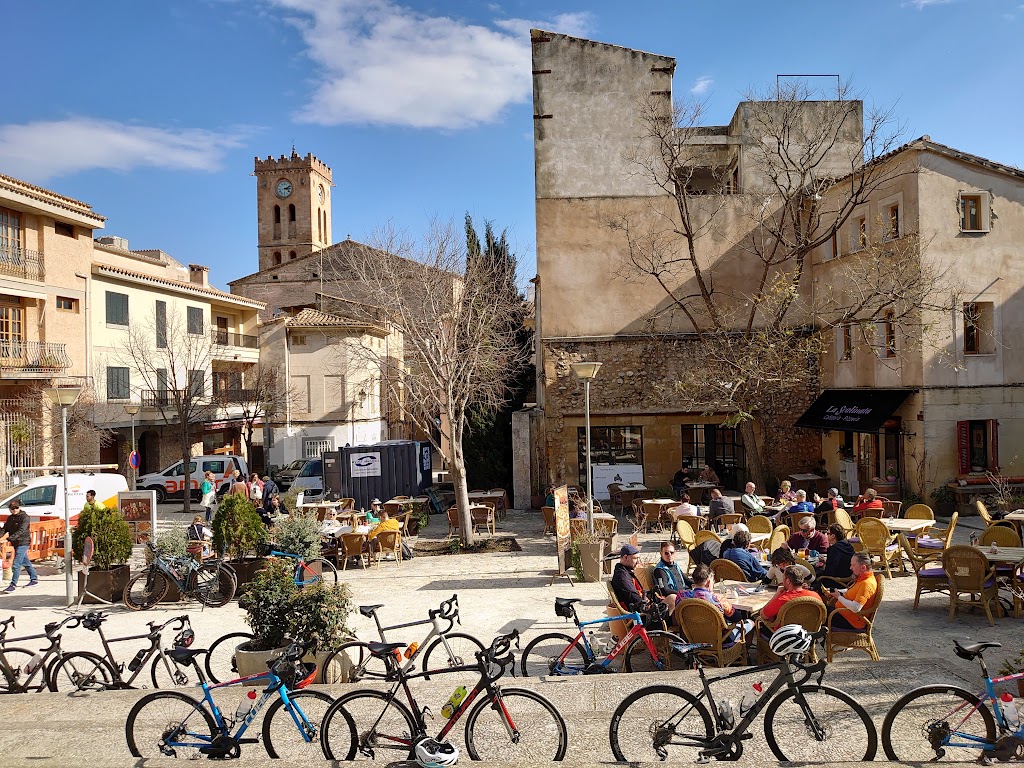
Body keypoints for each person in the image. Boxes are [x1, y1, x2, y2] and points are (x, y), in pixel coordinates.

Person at [677, 564, 753, 644]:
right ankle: (742, 653)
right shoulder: (718, 599)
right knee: (750, 622)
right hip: (719, 640)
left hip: (691, 637)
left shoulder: (681, 596)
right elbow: (737, 617)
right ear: (709, 582)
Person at [759, 565, 822, 631]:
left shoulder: (782, 599)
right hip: (809, 635)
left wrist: (777, 595)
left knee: (758, 624)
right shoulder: (815, 596)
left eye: (783, 577)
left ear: (788, 581)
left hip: (784, 636)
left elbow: (763, 615)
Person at [824, 552, 877, 630]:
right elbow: (852, 591)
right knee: (818, 608)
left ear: (863, 567)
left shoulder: (866, 584)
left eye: (853, 565)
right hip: (842, 613)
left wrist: (839, 597)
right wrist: (836, 591)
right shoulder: (862, 578)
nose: (850, 568)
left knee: (817, 613)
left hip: (850, 622)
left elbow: (856, 608)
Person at [0, 500, 38, 592]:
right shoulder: (10, 518)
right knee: (25, 561)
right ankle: (34, 579)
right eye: (12, 509)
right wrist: (1, 535)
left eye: (16, 508)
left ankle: (13, 585)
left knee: (16, 564)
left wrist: (9, 539)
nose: (15, 510)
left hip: (23, 542)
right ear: (10, 509)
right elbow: (5, 529)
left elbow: (21, 530)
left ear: (19, 507)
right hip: (16, 543)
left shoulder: (25, 517)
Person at [652, 541, 693, 611]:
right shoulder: (660, 570)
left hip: (683, 595)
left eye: (672, 552)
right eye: (666, 553)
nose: (669, 555)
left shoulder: (675, 565)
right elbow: (664, 590)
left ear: (675, 553)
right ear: (661, 553)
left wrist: (699, 585)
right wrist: (685, 594)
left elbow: (686, 580)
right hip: (674, 600)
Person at [816, 523, 856, 591]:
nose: (826, 535)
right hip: (848, 578)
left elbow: (830, 571)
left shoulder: (835, 549)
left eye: (828, 533)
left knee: (815, 574)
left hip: (836, 581)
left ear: (833, 536)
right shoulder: (848, 545)